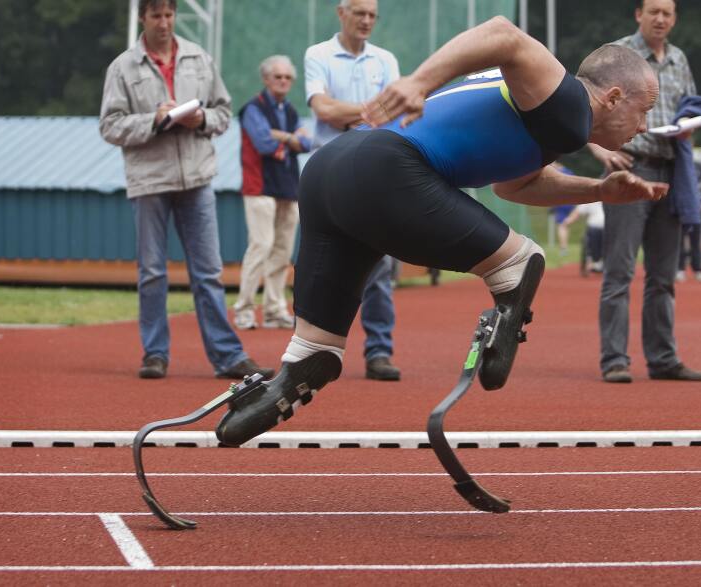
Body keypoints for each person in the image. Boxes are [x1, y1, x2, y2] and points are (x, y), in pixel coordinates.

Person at [213, 16, 669, 447]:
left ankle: (269, 394)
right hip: (384, 168)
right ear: (611, 97)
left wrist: (598, 191)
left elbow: (515, 186)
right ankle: (505, 302)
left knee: (317, 353)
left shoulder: (551, 119)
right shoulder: (569, 101)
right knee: (520, 260)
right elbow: (503, 33)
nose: (644, 126)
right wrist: (417, 81)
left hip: (330, 172)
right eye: (644, 110)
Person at [99, 0, 273, 381]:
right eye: (156, 15)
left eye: (169, 15)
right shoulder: (123, 67)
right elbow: (110, 126)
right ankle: (155, 354)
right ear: (142, 17)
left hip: (197, 179)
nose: (164, 22)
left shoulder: (199, 58)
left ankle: (228, 357)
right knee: (152, 273)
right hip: (149, 181)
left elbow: (224, 113)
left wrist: (201, 119)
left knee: (209, 272)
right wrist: (155, 120)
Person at [587, 0, 701, 384]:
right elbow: (585, 107)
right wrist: (600, 147)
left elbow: (688, 107)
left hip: (670, 170)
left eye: (667, 13)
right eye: (653, 11)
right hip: (630, 166)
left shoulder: (680, 60)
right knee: (619, 269)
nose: (660, 19)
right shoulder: (618, 55)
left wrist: (690, 126)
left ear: (674, 19)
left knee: (663, 274)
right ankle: (615, 360)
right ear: (638, 14)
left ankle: (662, 358)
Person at [303, 0, 402, 381]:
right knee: (319, 262)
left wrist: (357, 112)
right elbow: (323, 110)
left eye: (373, 15)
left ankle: (379, 351)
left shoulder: (385, 59)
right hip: (326, 172)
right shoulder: (319, 54)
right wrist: (371, 111)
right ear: (341, 13)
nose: (366, 21)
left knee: (379, 266)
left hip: (373, 172)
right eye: (359, 13)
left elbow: (394, 110)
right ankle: (314, 352)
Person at [234, 55, 311, 331]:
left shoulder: (289, 110)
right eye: (277, 76)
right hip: (260, 187)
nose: (283, 81)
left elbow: (307, 142)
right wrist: (290, 137)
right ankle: (243, 309)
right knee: (261, 246)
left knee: (282, 251)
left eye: (288, 77)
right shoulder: (252, 108)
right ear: (266, 79)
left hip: (288, 187)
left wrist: (284, 137)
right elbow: (264, 143)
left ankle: (274, 309)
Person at [676, 160, 701, 282]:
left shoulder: (699, 166)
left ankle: (698, 269)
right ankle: (680, 269)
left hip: (697, 209)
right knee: (679, 240)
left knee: (696, 240)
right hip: (682, 209)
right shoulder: (677, 164)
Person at [564, 200, 605, 275]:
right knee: (593, 233)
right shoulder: (592, 201)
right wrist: (568, 221)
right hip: (594, 228)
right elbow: (578, 211)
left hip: (610, 229)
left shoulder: (613, 199)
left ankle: (602, 262)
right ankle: (594, 261)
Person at [548, 163, 576, 255]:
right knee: (566, 224)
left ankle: (563, 248)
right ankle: (565, 246)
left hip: (561, 201)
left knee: (562, 226)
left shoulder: (555, 173)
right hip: (570, 201)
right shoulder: (569, 171)